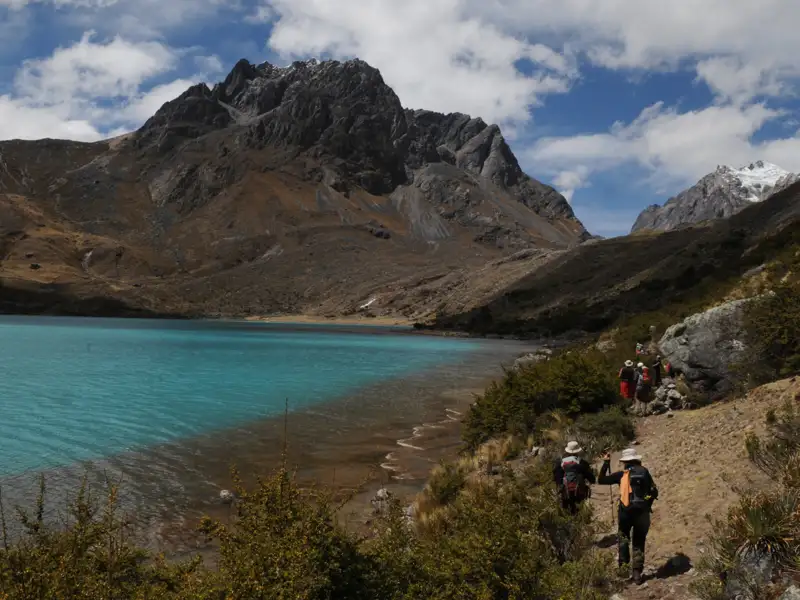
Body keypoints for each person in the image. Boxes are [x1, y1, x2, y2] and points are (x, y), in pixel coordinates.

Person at [599, 448, 659, 584]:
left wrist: (606, 463)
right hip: (642, 512)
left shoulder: (622, 475)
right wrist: (646, 502)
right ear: (637, 460)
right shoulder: (644, 472)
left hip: (625, 512)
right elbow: (654, 492)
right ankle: (637, 573)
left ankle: (623, 570)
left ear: (625, 462)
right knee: (638, 541)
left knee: (623, 538)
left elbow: (601, 480)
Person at [553, 441, 596, 514]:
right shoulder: (582, 462)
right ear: (578, 451)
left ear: (567, 451)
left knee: (566, 512)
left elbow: (556, 478)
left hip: (565, 492)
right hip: (579, 492)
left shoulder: (560, 463)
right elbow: (591, 478)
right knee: (579, 511)